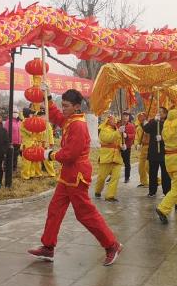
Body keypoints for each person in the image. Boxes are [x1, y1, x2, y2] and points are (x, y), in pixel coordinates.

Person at [27, 89, 122, 265]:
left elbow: (70, 154)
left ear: (77, 107)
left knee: (85, 213)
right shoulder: (71, 120)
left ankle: (112, 245)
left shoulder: (78, 125)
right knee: (55, 209)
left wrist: (49, 155)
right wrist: (47, 98)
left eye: (66, 106)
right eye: (62, 105)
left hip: (77, 174)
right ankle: (48, 247)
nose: (63, 109)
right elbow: (55, 116)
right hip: (68, 174)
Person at [142, 107, 171, 197]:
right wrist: (154, 121)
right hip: (154, 151)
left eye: (161, 112)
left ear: (166, 114)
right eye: (158, 111)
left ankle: (166, 192)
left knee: (165, 174)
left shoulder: (169, 122)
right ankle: (152, 191)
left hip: (164, 151)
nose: (159, 113)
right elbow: (146, 129)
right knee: (152, 173)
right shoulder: (154, 121)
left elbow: (171, 135)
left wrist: (162, 138)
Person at [95, 115, 123, 202]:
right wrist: (119, 132)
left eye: (114, 119)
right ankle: (97, 191)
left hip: (117, 158)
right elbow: (108, 139)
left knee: (116, 177)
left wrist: (122, 146)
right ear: (107, 121)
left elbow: (119, 141)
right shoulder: (103, 129)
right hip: (106, 157)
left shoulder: (118, 130)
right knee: (102, 178)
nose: (114, 121)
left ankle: (110, 196)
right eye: (112, 119)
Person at [119, 111, 136, 183]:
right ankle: (111, 176)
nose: (125, 118)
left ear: (128, 117)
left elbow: (133, 135)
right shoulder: (118, 124)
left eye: (127, 116)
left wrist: (127, 135)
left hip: (127, 146)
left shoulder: (131, 126)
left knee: (127, 162)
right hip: (118, 146)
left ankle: (127, 177)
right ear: (122, 117)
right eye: (124, 116)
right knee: (114, 162)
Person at [134, 112, 150, 187]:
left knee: (148, 167)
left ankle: (156, 180)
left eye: (143, 117)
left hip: (150, 147)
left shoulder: (150, 125)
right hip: (143, 147)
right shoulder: (139, 128)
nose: (141, 119)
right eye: (140, 118)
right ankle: (144, 182)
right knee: (141, 166)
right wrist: (137, 144)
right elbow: (136, 138)